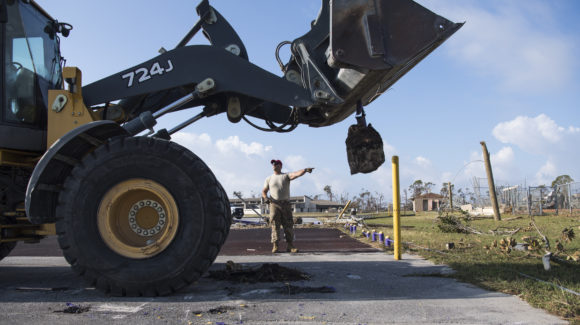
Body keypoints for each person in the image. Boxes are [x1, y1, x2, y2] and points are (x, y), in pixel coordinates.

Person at [262, 159, 314, 253]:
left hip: (285, 205)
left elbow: (296, 174)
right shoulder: (269, 178)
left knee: (288, 225)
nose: (274, 165)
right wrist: (265, 198)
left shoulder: (285, 176)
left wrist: (305, 170)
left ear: (280, 166)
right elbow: (264, 191)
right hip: (274, 204)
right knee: (274, 225)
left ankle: (290, 246)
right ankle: (275, 246)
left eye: (276, 163)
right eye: (273, 164)